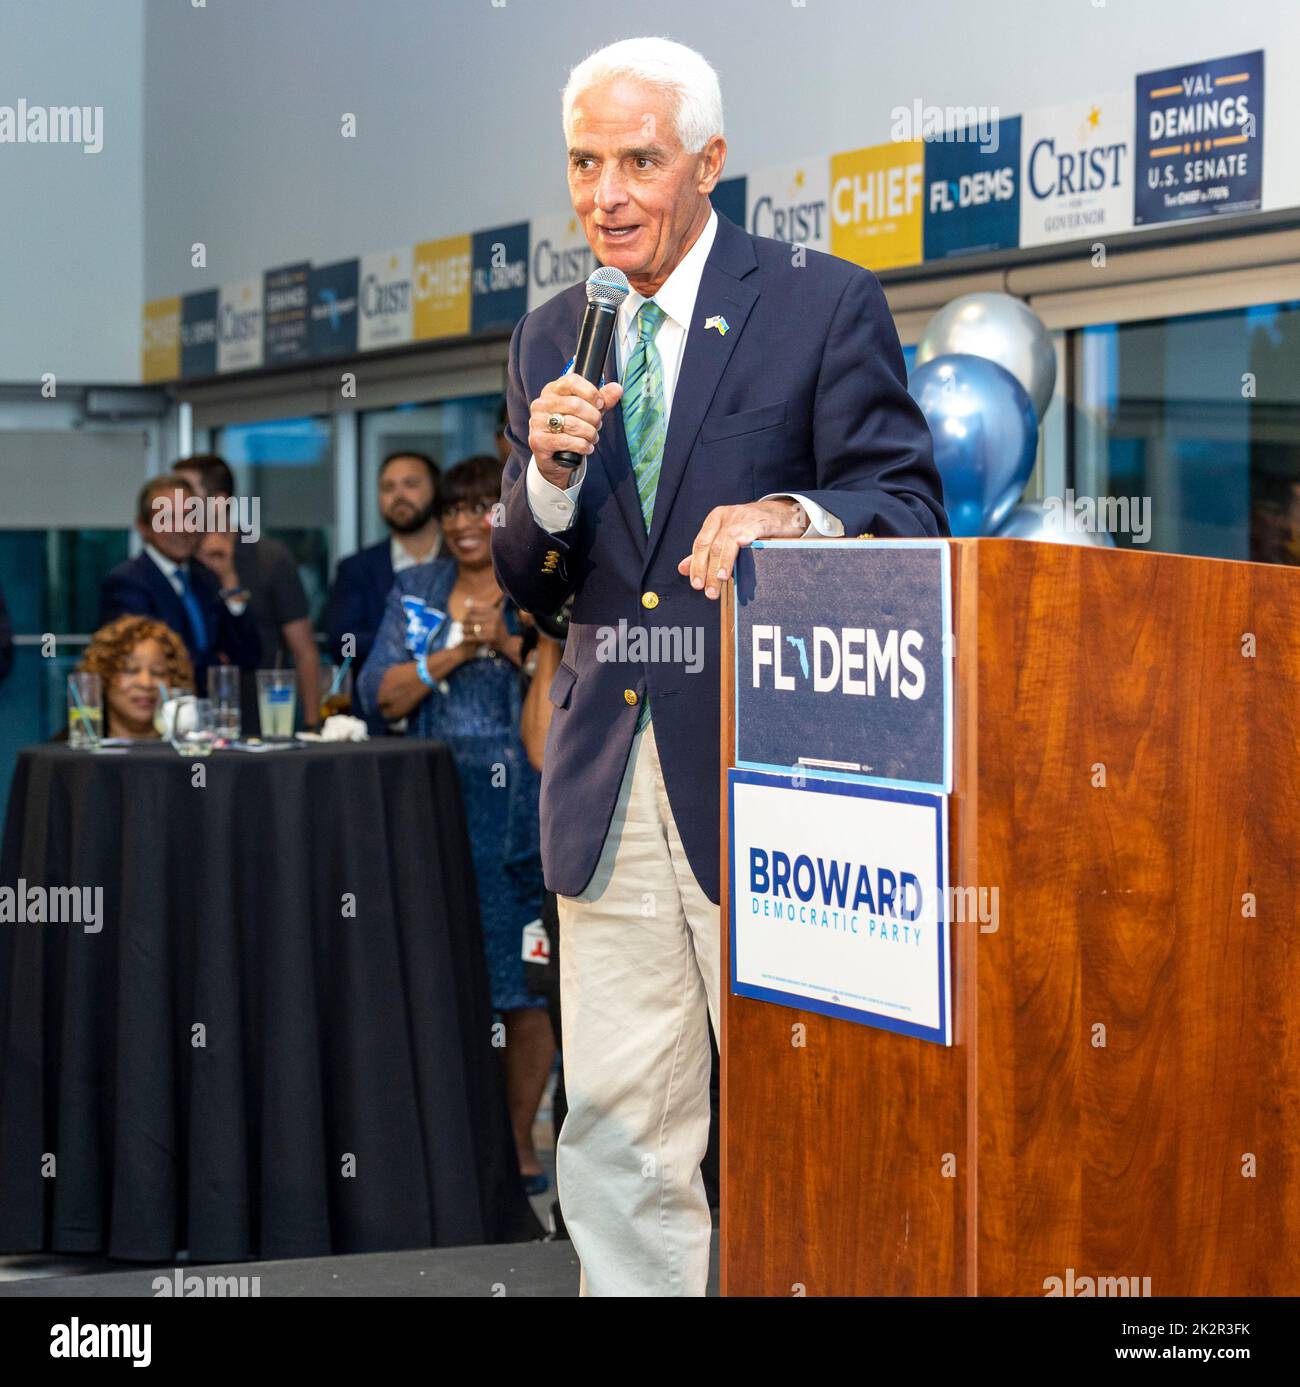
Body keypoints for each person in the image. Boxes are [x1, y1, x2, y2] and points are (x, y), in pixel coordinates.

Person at [491, 36, 948, 1296]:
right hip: (603, 784)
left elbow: (907, 505)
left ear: (710, 162)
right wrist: (547, 478)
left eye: (638, 160)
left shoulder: (820, 300)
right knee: (622, 1122)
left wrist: (791, 516)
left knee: (804, 1108)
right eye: (584, 163)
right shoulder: (548, 337)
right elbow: (533, 586)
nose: (607, 194)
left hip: (774, 778)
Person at [358, 455, 553, 1191]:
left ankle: (516, 1143)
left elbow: (570, 684)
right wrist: (458, 649)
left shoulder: (535, 585)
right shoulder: (416, 590)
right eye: (454, 511)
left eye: (483, 508)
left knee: (526, 985)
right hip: (431, 815)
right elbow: (380, 693)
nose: (466, 523)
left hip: (523, 817)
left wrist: (508, 642)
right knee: (442, 978)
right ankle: (447, 1140)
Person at [174, 454, 321, 733]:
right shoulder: (179, 563)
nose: (175, 502)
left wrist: (313, 725)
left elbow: (304, 650)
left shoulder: (269, 557)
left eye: (186, 494)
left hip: (264, 719)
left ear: (218, 502)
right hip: (191, 720)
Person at [100, 473, 260, 694]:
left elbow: (248, 656)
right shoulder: (127, 582)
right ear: (144, 527)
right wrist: (216, 662)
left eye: (189, 516)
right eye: (167, 518)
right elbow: (153, 661)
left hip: (213, 717)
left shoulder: (206, 579)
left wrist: (229, 578)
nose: (182, 528)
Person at [327, 451, 442, 731]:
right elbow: (342, 643)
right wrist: (418, 640)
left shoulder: (463, 561)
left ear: (436, 490)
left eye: (410, 484)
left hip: (448, 724)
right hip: (377, 728)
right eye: (388, 487)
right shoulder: (356, 568)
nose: (399, 495)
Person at [79, 614, 194, 739]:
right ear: (104, 676)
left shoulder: (192, 751)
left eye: (158, 672)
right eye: (131, 670)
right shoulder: (68, 752)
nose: (146, 683)